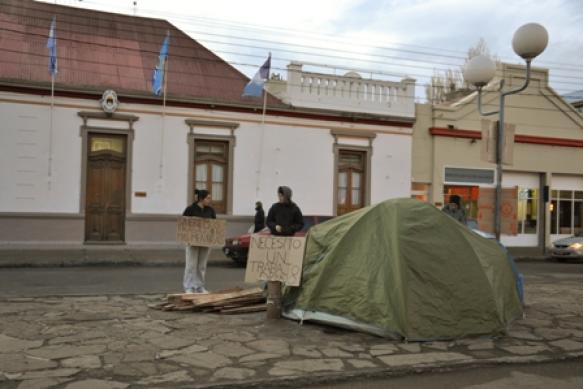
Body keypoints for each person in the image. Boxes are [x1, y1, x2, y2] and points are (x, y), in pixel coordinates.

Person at [182, 189, 216, 294]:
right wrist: (187, 237)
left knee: (202, 266)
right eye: (208, 198)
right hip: (192, 242)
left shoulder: (211, 210)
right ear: (201, 199)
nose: (210, 200)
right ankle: (189, 287)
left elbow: (215, 225)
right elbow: (183, 224)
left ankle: (199, 286)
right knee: (191, 265)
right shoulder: (190, 209)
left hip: (205, 242)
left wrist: (213, 236)